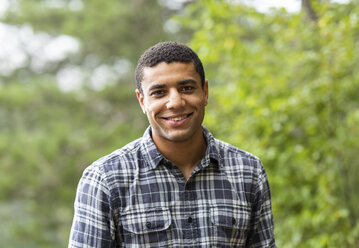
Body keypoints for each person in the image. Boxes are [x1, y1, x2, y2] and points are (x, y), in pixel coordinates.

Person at [68, 41, 276, 247]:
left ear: (205, 92)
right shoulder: (105, 179)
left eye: (186, 88)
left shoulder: (248, 171)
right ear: (142, 101)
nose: (175, 102)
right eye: (159, 92)